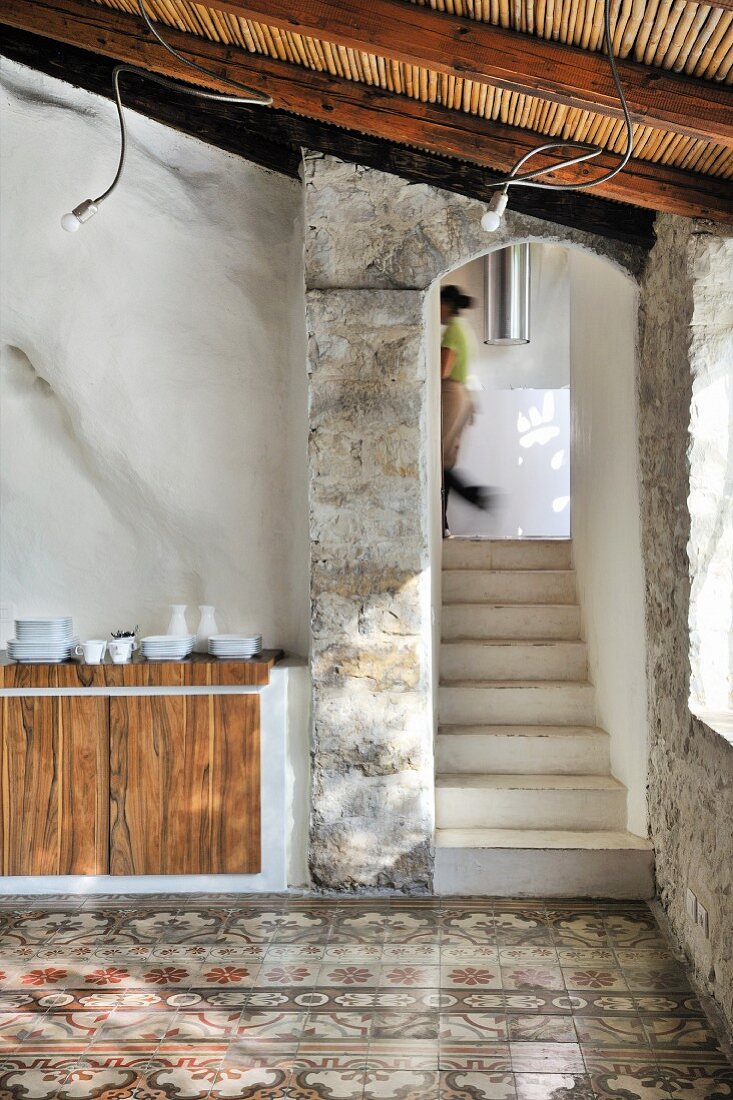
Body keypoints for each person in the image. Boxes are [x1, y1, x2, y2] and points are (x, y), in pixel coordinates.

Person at [440, 284, 494, 533]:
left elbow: (444, 370)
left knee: (439, 461)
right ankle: (445, 522)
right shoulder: (463, 328)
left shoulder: (452, 330)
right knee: (446, 461)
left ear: (446, 305)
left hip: (451, 393)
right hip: (462, 395)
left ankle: (473, 497)